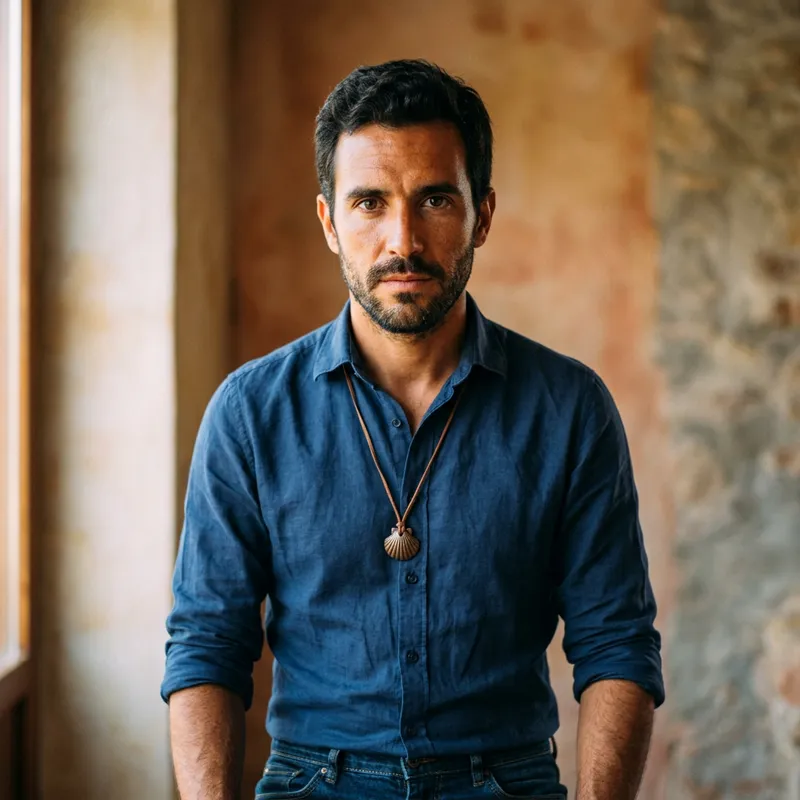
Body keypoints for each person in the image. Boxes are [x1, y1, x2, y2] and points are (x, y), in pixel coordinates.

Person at [161, 59, 664, 800]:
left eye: (434, 200)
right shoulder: (250, 412)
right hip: (313, 781)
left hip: (507, 780)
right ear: (331, 222)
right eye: (368, 202)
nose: (403, 240)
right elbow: (207, 645)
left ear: (481, 215)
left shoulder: (569, 408)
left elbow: (616, 642)